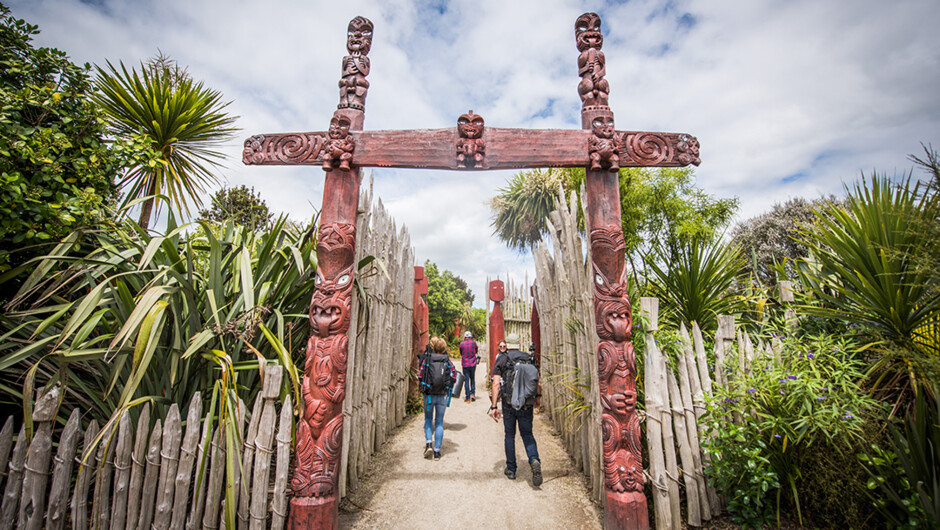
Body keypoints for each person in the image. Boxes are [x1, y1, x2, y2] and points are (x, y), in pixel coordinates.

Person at [489, 335, 542, 485]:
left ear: (507, 345)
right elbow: (537, 381)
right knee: (527, 434)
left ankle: (511, 469)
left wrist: (494, 406)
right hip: (526, 403)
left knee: (509, 435)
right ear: (518, 344)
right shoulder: (528, 357)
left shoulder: (503, 358)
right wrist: (537, 399)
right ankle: (534, 459)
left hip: (508, 403)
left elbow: (496, 384)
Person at [418, 336, 457, 460]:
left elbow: (420, 375)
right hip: (442, 395)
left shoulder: (427, 360)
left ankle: (429, 442)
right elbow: (454, 377)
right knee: (439, 421)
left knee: (428, 419)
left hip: (428, 394)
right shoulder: (447, 361)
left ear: (433, 347)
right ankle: (437, 451)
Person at [458, 331, 480, 402]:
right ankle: (472, 394)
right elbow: (476, 350)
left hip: (465, 364)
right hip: (473, 363)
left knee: (466, 380)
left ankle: (467, 397)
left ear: (465, 337)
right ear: (470, 336)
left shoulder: (462, 344)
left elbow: (461, 352)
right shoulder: (473, 343)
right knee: (472, 378)